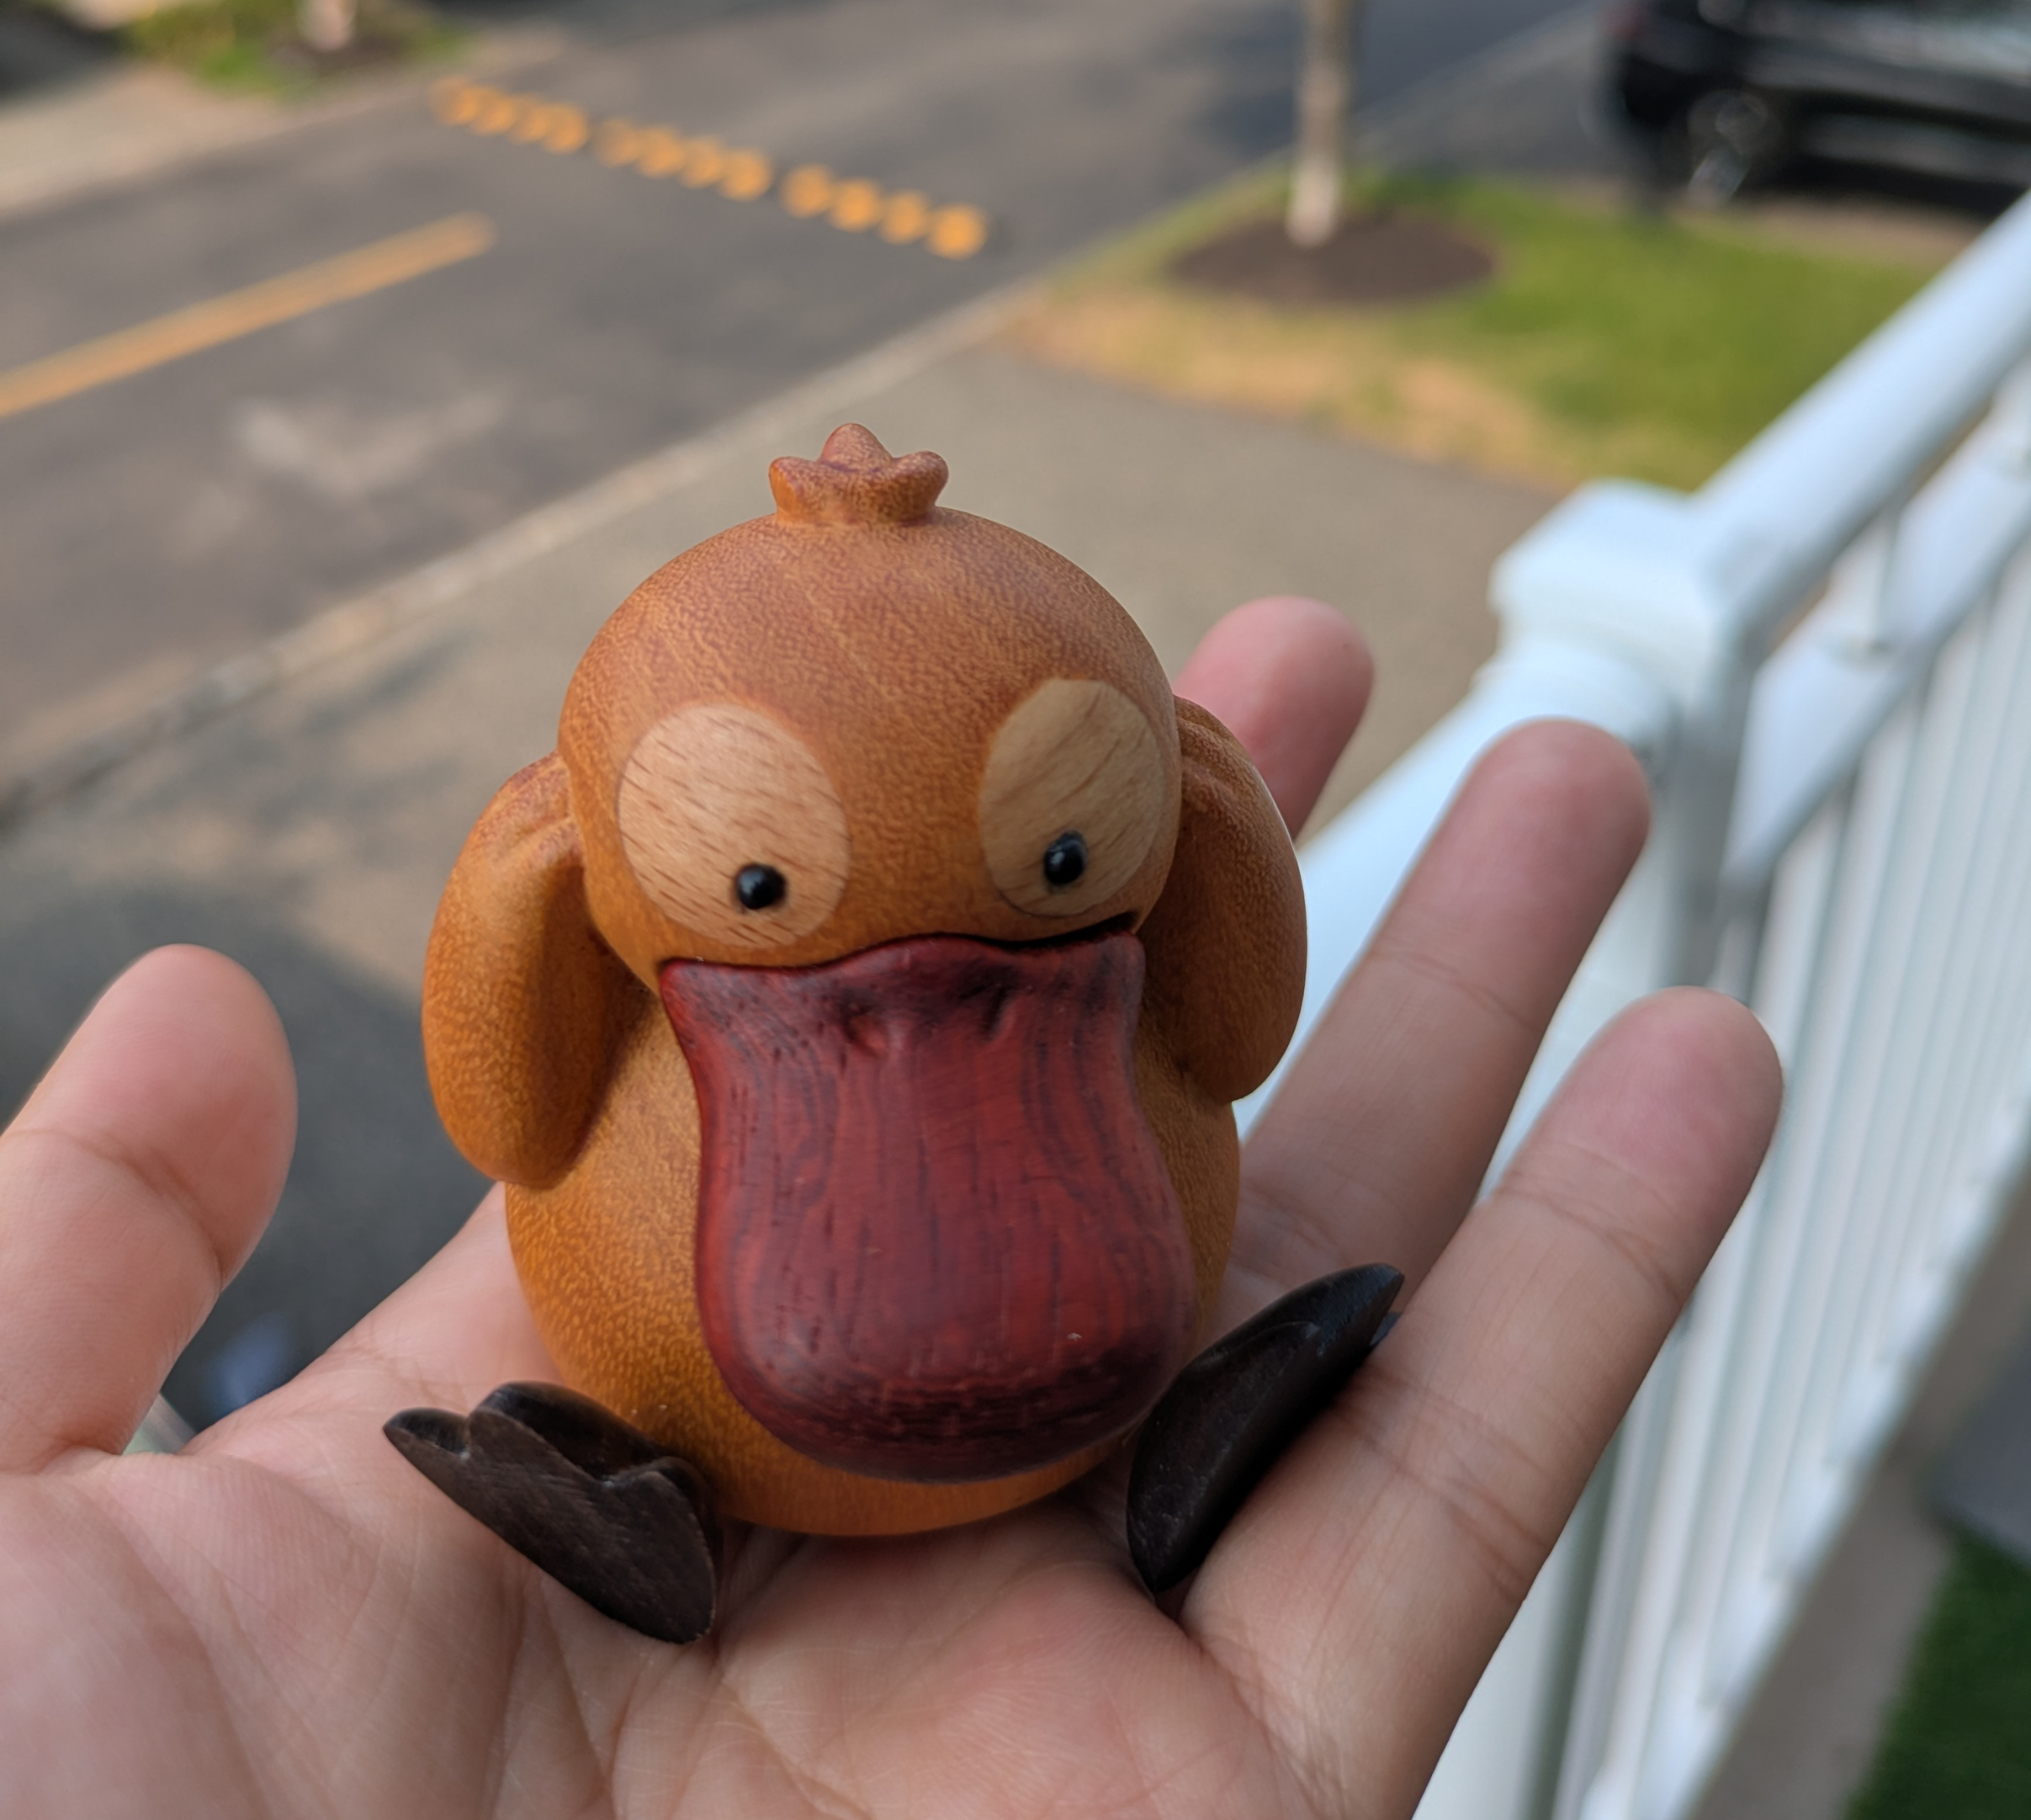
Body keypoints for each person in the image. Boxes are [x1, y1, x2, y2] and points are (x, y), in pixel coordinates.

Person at [0, 598, 1779, 1818]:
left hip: (1124, 1335)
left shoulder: (1180, 832)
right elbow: (509, 1100)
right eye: (751, 879)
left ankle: (1170, 1459)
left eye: (1074, 857)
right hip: (686, 1430)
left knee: (1215, 1338)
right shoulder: (559, 876)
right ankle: (666, 1541)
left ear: (1176, 802)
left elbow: (1235, 1020)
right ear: (567, 858)